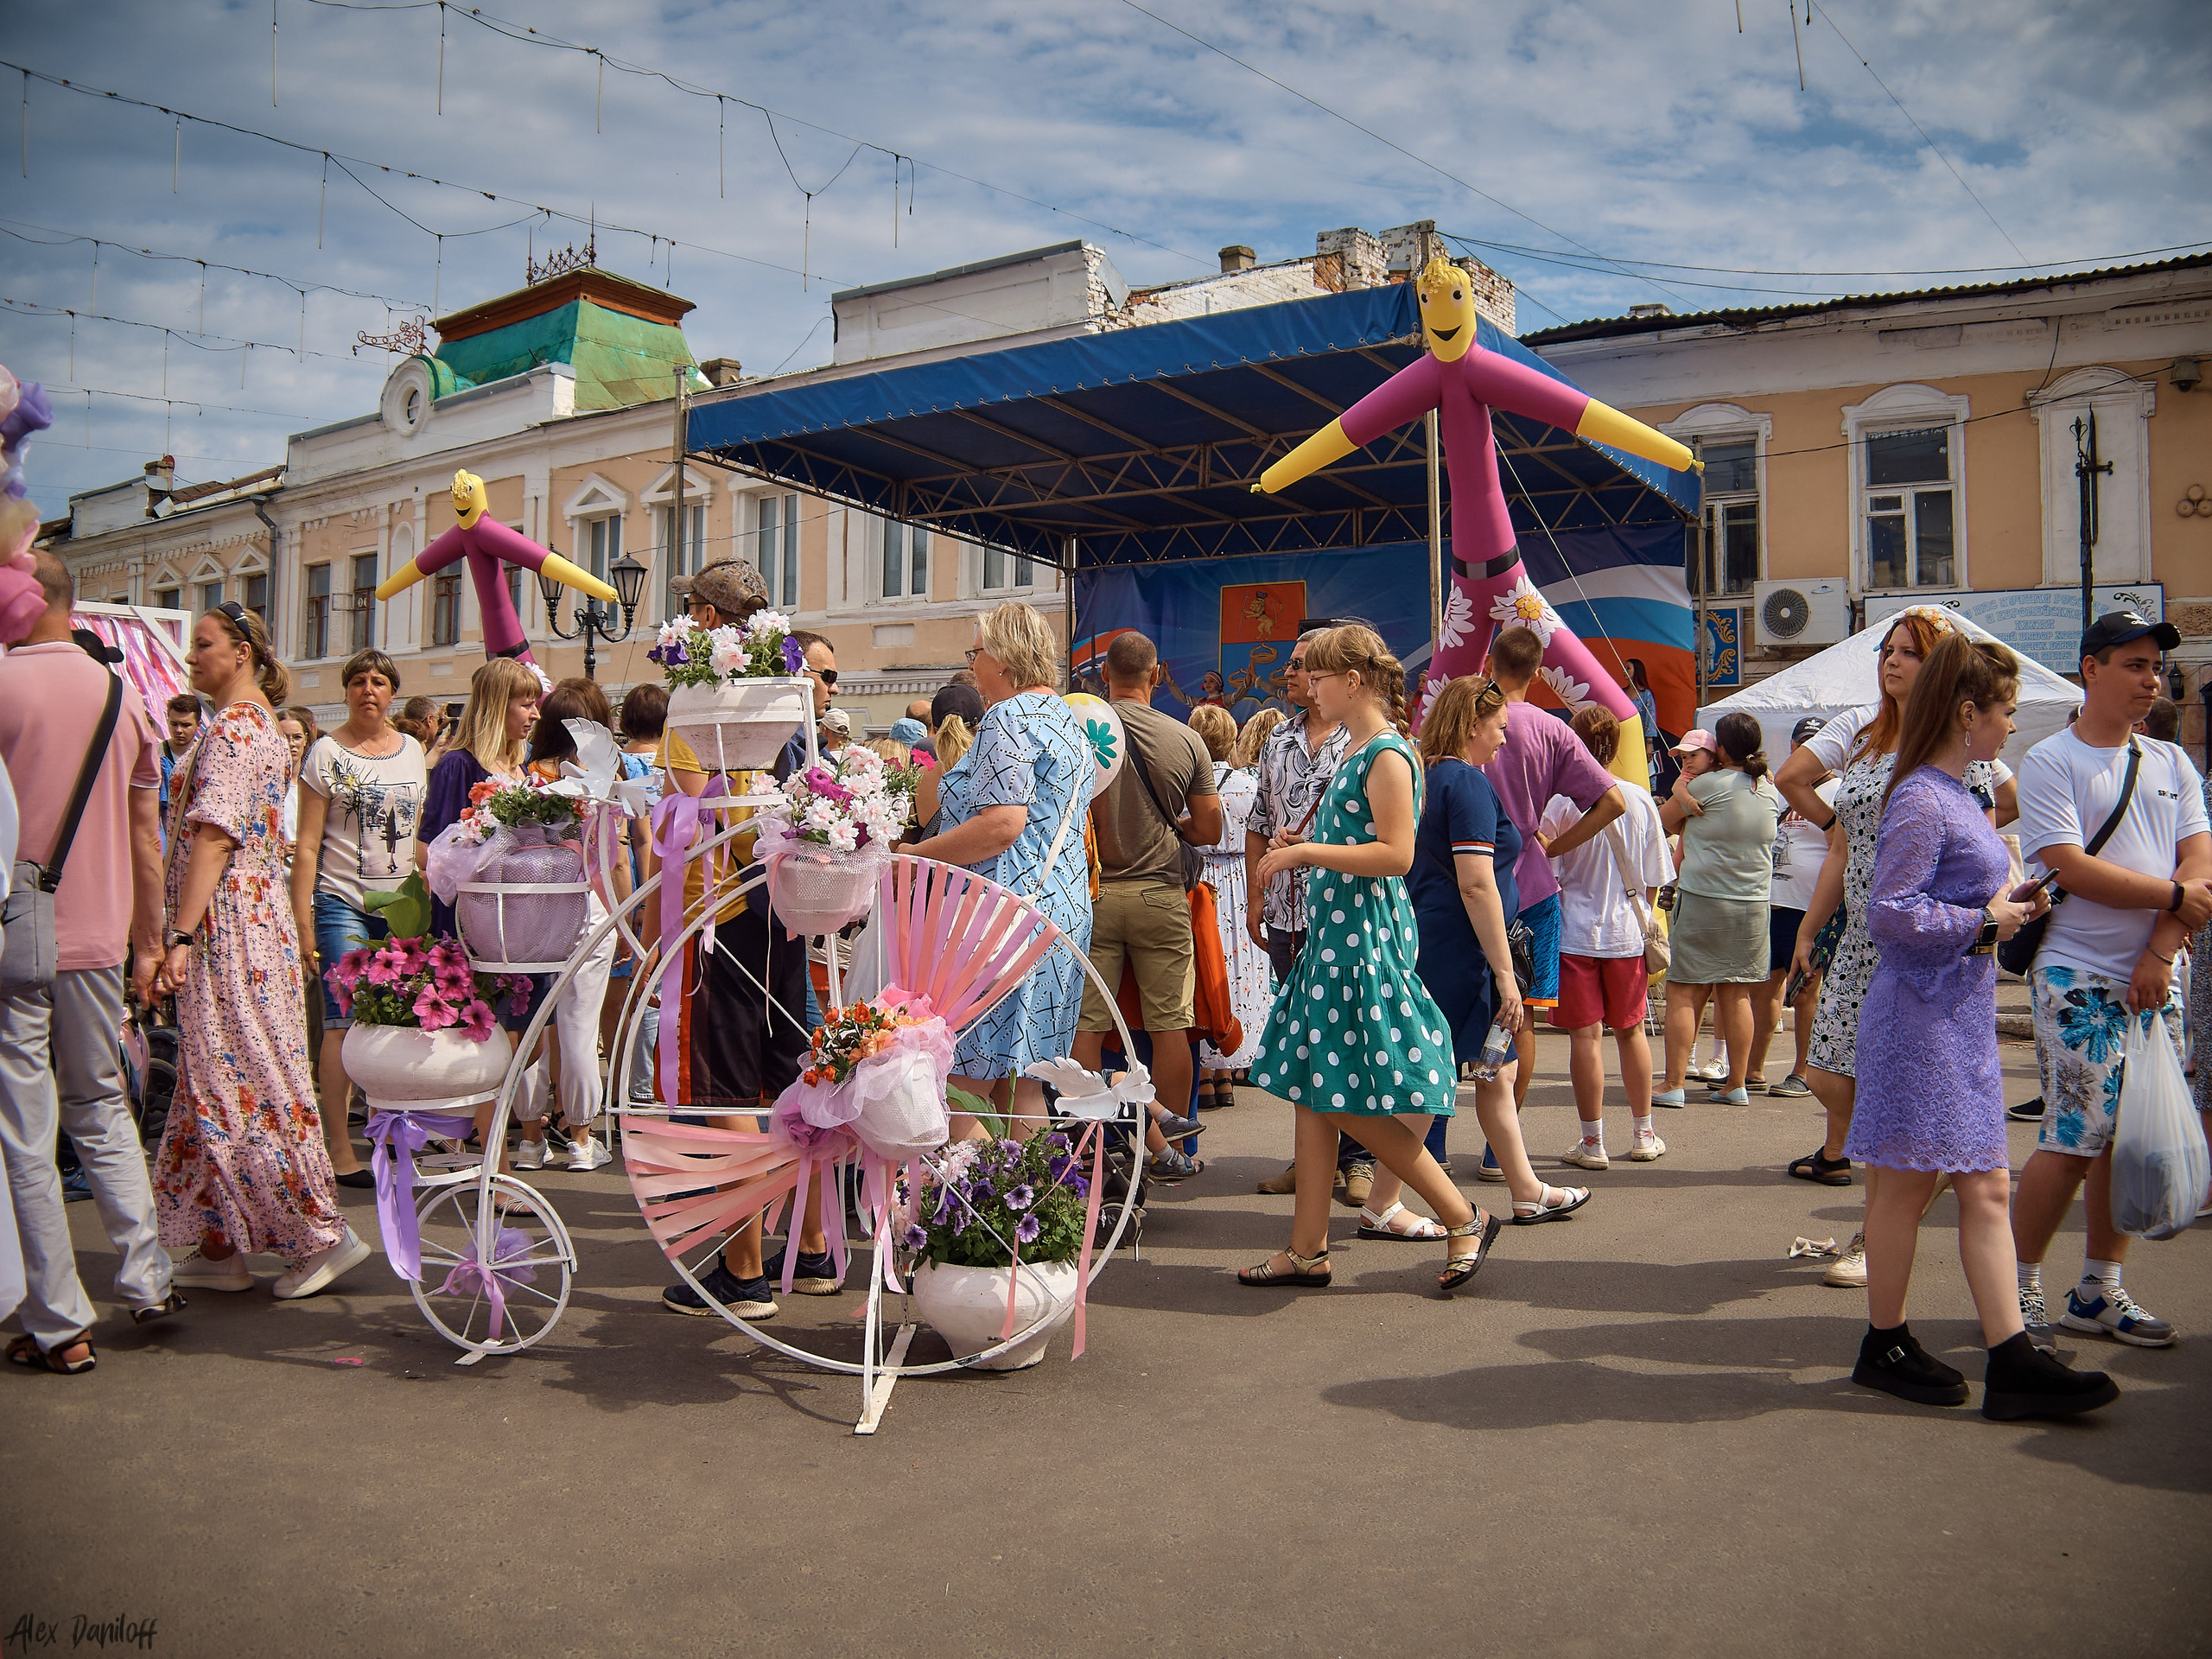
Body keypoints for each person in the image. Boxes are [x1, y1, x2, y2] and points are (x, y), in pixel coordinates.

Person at [1845, 633, 2117, 1418]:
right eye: (2004, 713)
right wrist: (1988, 922)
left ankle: (1993, 1356)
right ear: (1968, 713)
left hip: (1949, 1015)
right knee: (1914, 1187)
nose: (2010, 727)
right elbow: (1890, 914)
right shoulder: (1925, 796)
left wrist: (2012, 903)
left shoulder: (1955, 792)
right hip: (1922, 1016)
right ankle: (1913, 1346)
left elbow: (1945, 905)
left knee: (1972, 1188)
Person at [1243, 627, 1503, 1290]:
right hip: (1340, 940)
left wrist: (1305, 853)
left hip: (1359, 943)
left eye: (1319, 676)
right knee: (1312, 1091)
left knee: (1331, 1094)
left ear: (1351, 681)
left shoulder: (1385, 751)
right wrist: (1306, 838)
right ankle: (1307, 1249)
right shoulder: (1366, 749)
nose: (1309, 687)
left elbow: (1397, 855)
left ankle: (1459, 1213)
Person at [1776, 607, 2015, 1290]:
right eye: (1886, 649)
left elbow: (1988, 837)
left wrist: (1984, 912)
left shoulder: (1959, 753)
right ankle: (1895, 1206)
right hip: (1862, 933)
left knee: (1885, 1102)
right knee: (1826, 1076)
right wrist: (1811, 926)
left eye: (1909, 652)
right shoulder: (1863, 733)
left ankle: (1875, 1228)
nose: (1891, 661)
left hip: (1922, 942)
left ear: (1939, 666)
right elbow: (1842, 838)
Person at [152, 602, 369, 1300]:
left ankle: (318, 1236)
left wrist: (180, 934)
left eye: (205, 645)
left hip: (229, 927)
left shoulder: (241, 731)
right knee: (212, 1075)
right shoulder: (240, 728)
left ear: (242, 652)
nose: (192, 658)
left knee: (246, 1074)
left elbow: (215, 835)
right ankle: (220, 1244)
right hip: (239, 919)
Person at [2009, 611, 2209, 1351]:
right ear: (2090, 669)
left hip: (2159, 976)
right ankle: (2018, 1288)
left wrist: (2162, 951)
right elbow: (2069, 866)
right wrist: (2174, 903)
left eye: (2155, 666)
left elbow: (2200, 866)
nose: (2150, 679)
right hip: (2079, 974)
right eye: (2133, 664)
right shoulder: (2052, 759)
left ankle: (2097, 1289)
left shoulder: (2171, 762)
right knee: (2075, 1133)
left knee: (2127, 1141)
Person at [0, 551, 179, 1374]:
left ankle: (59, 1320)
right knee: (102, 1104)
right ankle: (147, 1280)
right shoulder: (125, 697)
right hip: (101, 935)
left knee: (26, 1130)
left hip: (14, 932)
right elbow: (149, 836)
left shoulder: (4, 684)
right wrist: (151, 941)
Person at [653, 565, 830, 1317]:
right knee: (795, 1078)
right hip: (784, 902)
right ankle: (815, 1250)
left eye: (689, 611)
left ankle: (745, 1269)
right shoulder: (787, 700)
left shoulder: (697, 701)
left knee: (725, 1088)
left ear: (703, 616)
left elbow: (693, 817)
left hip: (719, 913)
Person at [903, 601, 1094, 1137]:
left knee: (965, 1077)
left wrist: (919, 852)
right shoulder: (1065, 718)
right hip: (1060, 910)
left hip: (1003, 914)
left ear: (1004, 660)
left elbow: (1003, 824)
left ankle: (979, 1211)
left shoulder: (1009, 718)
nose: (973, 662)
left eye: (977, 652)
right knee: (1025, 1080)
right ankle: (1031, 1206)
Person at [1409, 671, 1592, 1227]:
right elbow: (1477, 883)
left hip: (1448, 944)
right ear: (1471, 725)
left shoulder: (1433, 778)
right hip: (1465, 953)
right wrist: (1505, 973)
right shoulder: (1463, 783)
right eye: (1499, 727)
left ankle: (1526, 1189)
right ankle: (1385, 1200)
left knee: (1489, 1071)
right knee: (1446, 1076)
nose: (1504, 738)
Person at [1068, 632, 1220, 1173]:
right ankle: (1171, 1147)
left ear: (1103, 676)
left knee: (1086, 1027)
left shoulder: (1076, 729)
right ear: (1156, 675)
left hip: (1093, 894)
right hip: (1160, 895)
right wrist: (1168, 824)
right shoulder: (1186, 739)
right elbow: (1208, 828)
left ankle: (1095, 1145)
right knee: (1169, 1027)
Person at [1478, 626, 1625, 1176]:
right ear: (1538, 672)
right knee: (1524, 1019)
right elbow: (1612, 801)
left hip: (1465, 882)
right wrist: (1552, 844)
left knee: (1444, 1010)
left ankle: (1433, 1146)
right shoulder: (1552, 730)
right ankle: (1500, 1149)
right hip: (1533, 887)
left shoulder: (1463, 720)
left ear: (1490, 662)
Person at [288, 650, 423, 1188]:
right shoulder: (324, 752)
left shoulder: (413, 750)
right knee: (342, 1025)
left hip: (401, 905)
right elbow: (307, 845)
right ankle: (337, 1147)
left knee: (396, 1021)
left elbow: (413, 834)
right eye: (359, 681)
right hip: (341, 900)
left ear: (392, 693)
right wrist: (302, 921)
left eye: (380, 682)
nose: (369, 690)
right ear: (346, 690)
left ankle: (386, 1132)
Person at [1243, 629, 1354, 1198]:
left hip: (1342, 918)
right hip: (1287, 915)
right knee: (1305, 1041)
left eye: (1300, 665)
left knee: (1349, 1040)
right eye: (1287, 665)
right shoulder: (1278, 739)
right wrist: (1254, 897)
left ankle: (1357, 1161)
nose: (1288, 673)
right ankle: (1312, 1159)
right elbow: (1258, 822)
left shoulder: (1362, 744)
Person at [1543, 704, 1672, 1169]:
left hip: (1573, 932)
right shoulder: (1639, 800)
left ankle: (1592, 1142)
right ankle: (1644, 1132)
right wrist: (1642, 914)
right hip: (1626, 935)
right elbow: (1656, 876)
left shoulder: (1558, 804)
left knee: (1586, 1038)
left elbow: (1549, 873)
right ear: (1616, 746)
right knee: (1632, 1032)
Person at [518, 678, 622, 1172]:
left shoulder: (526, 778)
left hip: (533, 910)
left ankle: (530, 1138)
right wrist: (623, 917)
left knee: (530, 1025)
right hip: (587, 907)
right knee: (580, 1028)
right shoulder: (600, 780)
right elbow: (613, 859)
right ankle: (581, 1139)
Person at [1651, 712, 1780, 1107]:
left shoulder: (1706, 785)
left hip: (1705, 898)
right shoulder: (1768, 789)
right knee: (1736, 992)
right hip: (1755, 903)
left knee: (1684, 992)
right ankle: (1736, 1084)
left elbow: (1662, 821)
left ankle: (1673, 1084)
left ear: (1720, 749)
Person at [1749, 715, 1837, 1098]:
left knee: (1806, 992)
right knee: (1765, 989)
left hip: (1812, 909)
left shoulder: (1839, 791)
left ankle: (1803, 1071)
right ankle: (1752, 1069)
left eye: (1814, 744)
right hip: (1773, 904)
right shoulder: (1785, 791)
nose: (1806, 751)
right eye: (1801, 744)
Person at [1187, 703, 1270, 1111]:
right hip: (1240, 880)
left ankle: (1204, 1075)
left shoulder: (1189, 787)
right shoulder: (1247, 784)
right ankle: (1225, 1073)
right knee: (1237, 974)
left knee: (1205, 969)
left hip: (1201, 878)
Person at [607, 683, 667, 1105]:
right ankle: (660, 1080)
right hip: (676, 882)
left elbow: (634, 838)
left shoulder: (620, 765)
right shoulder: (675, 765)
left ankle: (628, 1081)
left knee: (629, 988)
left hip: (631, 884)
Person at [158, 692, 202, 839]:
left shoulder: (205, 758)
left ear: (198, 725)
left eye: (185, 725)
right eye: (174, 724)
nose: (178, 730)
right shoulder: (154, 754)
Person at [276, 705, 319, 851]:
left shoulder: (314, 784)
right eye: (285, 737)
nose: (291, 743)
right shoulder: (267, 787)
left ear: (306, 740)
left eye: (297, 737)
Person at [1624, 656, 1662, 791]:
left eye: (1628, 668)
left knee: (1644, 768)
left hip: (1641, 739)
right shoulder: (1622, 693)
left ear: (1637, 671)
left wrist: (1649, 744)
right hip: (1625, 739)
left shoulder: (1645, 694)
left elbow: (1650, 718)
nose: (1624, 670)